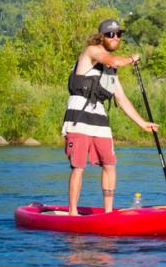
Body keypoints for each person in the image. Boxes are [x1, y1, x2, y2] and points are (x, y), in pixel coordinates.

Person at [62, 19, 158, 216]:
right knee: (78, 166)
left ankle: (108, 213)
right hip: (78, 117)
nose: (115, 38)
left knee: (109, 164)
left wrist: (142, 123)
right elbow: (114, 60)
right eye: (110, 34)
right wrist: (132, 59)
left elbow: (121, 99)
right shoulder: (92, 51)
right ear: (101, 36)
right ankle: (72, 213)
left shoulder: (111, 71)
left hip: (99, 119)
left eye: (118, 34)